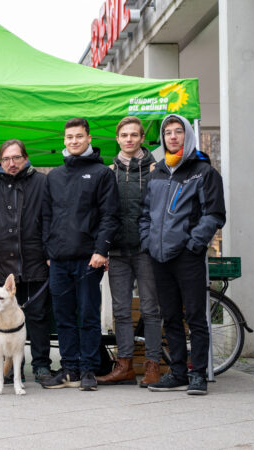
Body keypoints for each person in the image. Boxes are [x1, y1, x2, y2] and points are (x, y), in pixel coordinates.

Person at [141, 114, 225, 395]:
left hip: (188, 256)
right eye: (168, 132)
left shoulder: (204, 172)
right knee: (171, 317)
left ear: (188, 135)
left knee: (196, 317)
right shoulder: (157, 173)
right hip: (159, 256)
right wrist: (148, 242)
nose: (173, 136)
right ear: (163, 138)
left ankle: (198, 374)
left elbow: (214, 214)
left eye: (179, 131)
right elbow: (145, 215)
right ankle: (177, 372)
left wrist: (194, 244)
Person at [41, 118, 119, 391]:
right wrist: (49, 252)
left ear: (88, 138)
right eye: (69, 137)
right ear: (64, 140)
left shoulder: (102, 173)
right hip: (59, 260)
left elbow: (110, 216)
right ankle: (69, 368)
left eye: (78, 136)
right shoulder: (54, 176)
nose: (73, 141)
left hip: (89, 259)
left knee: (87, 315)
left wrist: (101, 250)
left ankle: (88, 369)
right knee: (63, 317)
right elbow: (46, 217)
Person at [0, 139, 53, 383]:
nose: (11, 163)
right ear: (0, 161)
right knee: (3, 318)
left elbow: (49, 221)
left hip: (35, 261)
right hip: (3, 264)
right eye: (6, 159)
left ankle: (41, 365)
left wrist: (49, 253)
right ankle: (12, 370)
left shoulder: (42, 182)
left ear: (25, 157)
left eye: (16, 158)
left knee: (38, 317)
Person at [96, 117, 162, 388]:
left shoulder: (156, 170)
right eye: (124, 135)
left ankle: (153, 366)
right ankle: (124, 366)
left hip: (146, 250)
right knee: (121, 310)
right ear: (117, 138)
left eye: (134, 135)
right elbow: (102, 213)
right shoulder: (108, 171)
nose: (129, 139)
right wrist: (103, 249)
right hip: (118, 253)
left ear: (142, 138)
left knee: (150, 309)